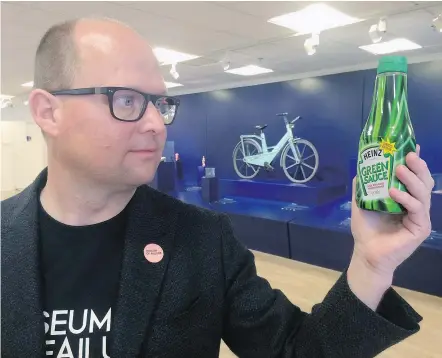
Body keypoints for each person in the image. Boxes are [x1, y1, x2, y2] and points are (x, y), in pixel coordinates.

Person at [1, 18, 434, 358]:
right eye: (127, 100)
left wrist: (371, 266)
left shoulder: (203, 240)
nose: (155, 123)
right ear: (48, 112)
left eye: (159, 103)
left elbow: (297, 352)